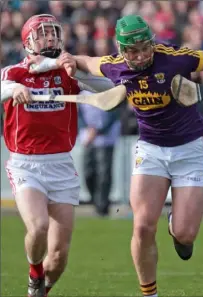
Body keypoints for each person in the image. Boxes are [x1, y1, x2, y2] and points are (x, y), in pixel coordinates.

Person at [27, 14, 203, 297]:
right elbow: (84, 61)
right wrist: (59, 62)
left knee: (186, 235)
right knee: (142, 225)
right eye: (133, 51)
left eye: (145, 47)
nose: (140, 56)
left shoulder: (175, 58)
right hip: (150, 149)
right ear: (123, 51)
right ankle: (149, 294)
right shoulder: (115, 66)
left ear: (152, 42)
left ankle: (177, 225)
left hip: (190, 149)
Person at [1, 14, 113, 297]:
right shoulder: (14, 73)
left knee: (59, 257)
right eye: (43, 34)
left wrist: (77, 69)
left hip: (61, 165)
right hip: (26, 164)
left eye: (53, 33)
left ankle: (43, 289)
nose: (50, 38)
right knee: (38, 226)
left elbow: (110, 92)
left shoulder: (67, 72)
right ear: (28, 41)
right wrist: (15, 89)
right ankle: (34, 274)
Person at [78, 92, 121, 216]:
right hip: (88, 139)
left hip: (105, 139)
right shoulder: (83, 94)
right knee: (88, 172)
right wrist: (88, 129)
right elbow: (79, 115)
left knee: (104, 174)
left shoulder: (108, 91)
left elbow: (114, 115)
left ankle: (102, 206)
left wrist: (98, 130)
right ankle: (95, 200)